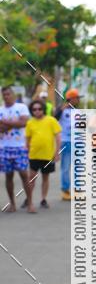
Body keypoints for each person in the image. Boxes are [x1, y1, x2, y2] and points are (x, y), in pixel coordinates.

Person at [0, 84, 33, 212]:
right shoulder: (1, 110)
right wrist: (14, 124)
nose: (6, 96)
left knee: (24, 175)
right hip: (4, 147)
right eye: (4, 95)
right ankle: (12, 204)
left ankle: (30, 203)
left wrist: (5, 123)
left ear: (13, 95)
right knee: (8, 176)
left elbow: (24, 123)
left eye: (8, 94)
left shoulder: (21, 107)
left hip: (19, 146)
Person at [24, 99, 61, 208]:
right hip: (34, 155)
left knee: (45, 178)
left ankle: (43, 199)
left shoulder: (51, 120)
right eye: (34, 109)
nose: (37, 111)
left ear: (43, 109)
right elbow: (27, 139)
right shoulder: (30, 123)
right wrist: (26, 152)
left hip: (48, 155)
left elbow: (58, 137)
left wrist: (57, 152)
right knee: (31, 178)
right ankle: (29, 199)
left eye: (39, 109)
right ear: (31, 111)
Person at [55, 88, 80, 200]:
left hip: (77, 141)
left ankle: (78, 190)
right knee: (65, 167)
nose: (78, 100)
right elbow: (54, 119)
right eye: (77, 98)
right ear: (71, 99)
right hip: (65, 141)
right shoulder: (62, 110)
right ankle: (65, 191)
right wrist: (61, 109)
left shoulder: (78, 111)